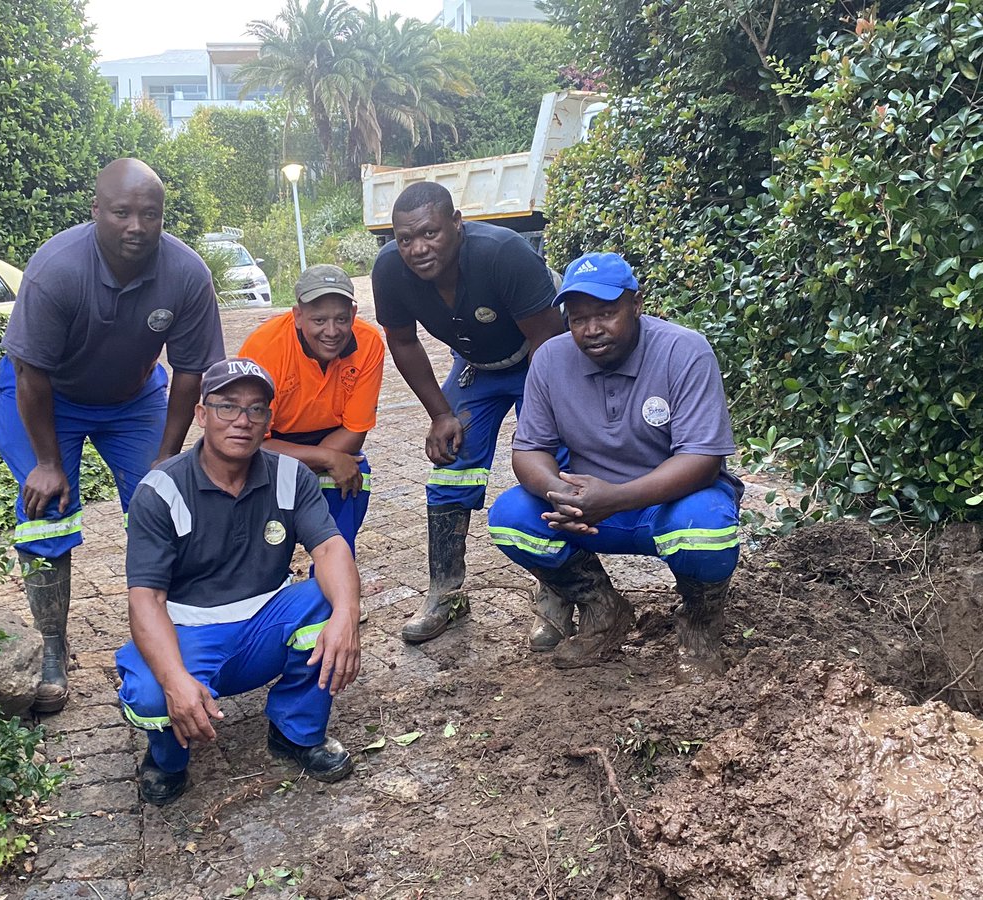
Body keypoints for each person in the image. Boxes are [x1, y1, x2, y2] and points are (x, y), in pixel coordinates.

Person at [0, 158, 225, 714]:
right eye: (122, 212)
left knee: (166, 502)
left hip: (134, 397)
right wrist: (48, 462)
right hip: (47, 396)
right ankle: (53, 646)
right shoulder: (57, 269)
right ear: (96, 211)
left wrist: (167, 460)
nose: (136, 226)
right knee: (48, 505)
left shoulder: (186, 273)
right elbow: (31, 374)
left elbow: (192, 372)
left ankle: (174, 632)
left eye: (150, 214)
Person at [114, 358, 362, 805]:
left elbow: (329, 548)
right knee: (153, 695)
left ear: (268, 419)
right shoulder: (160, 490)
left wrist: (348, 616)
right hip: (186, 631)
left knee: (327, 602)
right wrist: (174, 678)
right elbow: (145, 598)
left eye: (256, 410)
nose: (242, 421)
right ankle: (167, 759)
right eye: (227, 406)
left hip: (266, 618)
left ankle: (296, 731)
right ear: (201, 414)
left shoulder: (290, 476)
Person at [486, 252, 742, 681]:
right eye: (578, 318)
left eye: (606, 313)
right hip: (590, 512)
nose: (591, 329)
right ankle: (603, 611)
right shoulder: (550, 359)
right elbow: (528, 449)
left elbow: (703, 460)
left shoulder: (684, 351)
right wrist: (558, 491)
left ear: (637, 305)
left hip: (669, 505)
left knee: (708, 527)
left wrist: (617, 497)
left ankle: (699, 627)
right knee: (510, 518)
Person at [370, 182, 565, 645]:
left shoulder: (503, 254)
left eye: (429, 233)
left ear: (457, 223)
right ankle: (446, 591)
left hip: (539, 355)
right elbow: (401, 341)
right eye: (404, 238)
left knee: (550, 465)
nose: (417, 249)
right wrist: (440, 414)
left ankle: (559, 591)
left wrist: (535, 428)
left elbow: (548, 344)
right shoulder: (390, 272)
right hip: (477, 366)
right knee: (451, 463)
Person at [238, 264, 385, 561]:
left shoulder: (369, 344)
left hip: (332, 435)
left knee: (354, 473)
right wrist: (326, 459)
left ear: (354, 315)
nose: (331, 331)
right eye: (319, 320)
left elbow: (355, 431)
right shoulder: (263, 348)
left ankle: (334, 580)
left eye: (341, 319)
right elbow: (251, 443)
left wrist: (327, 460)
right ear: (297, 316)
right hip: (265, 444)